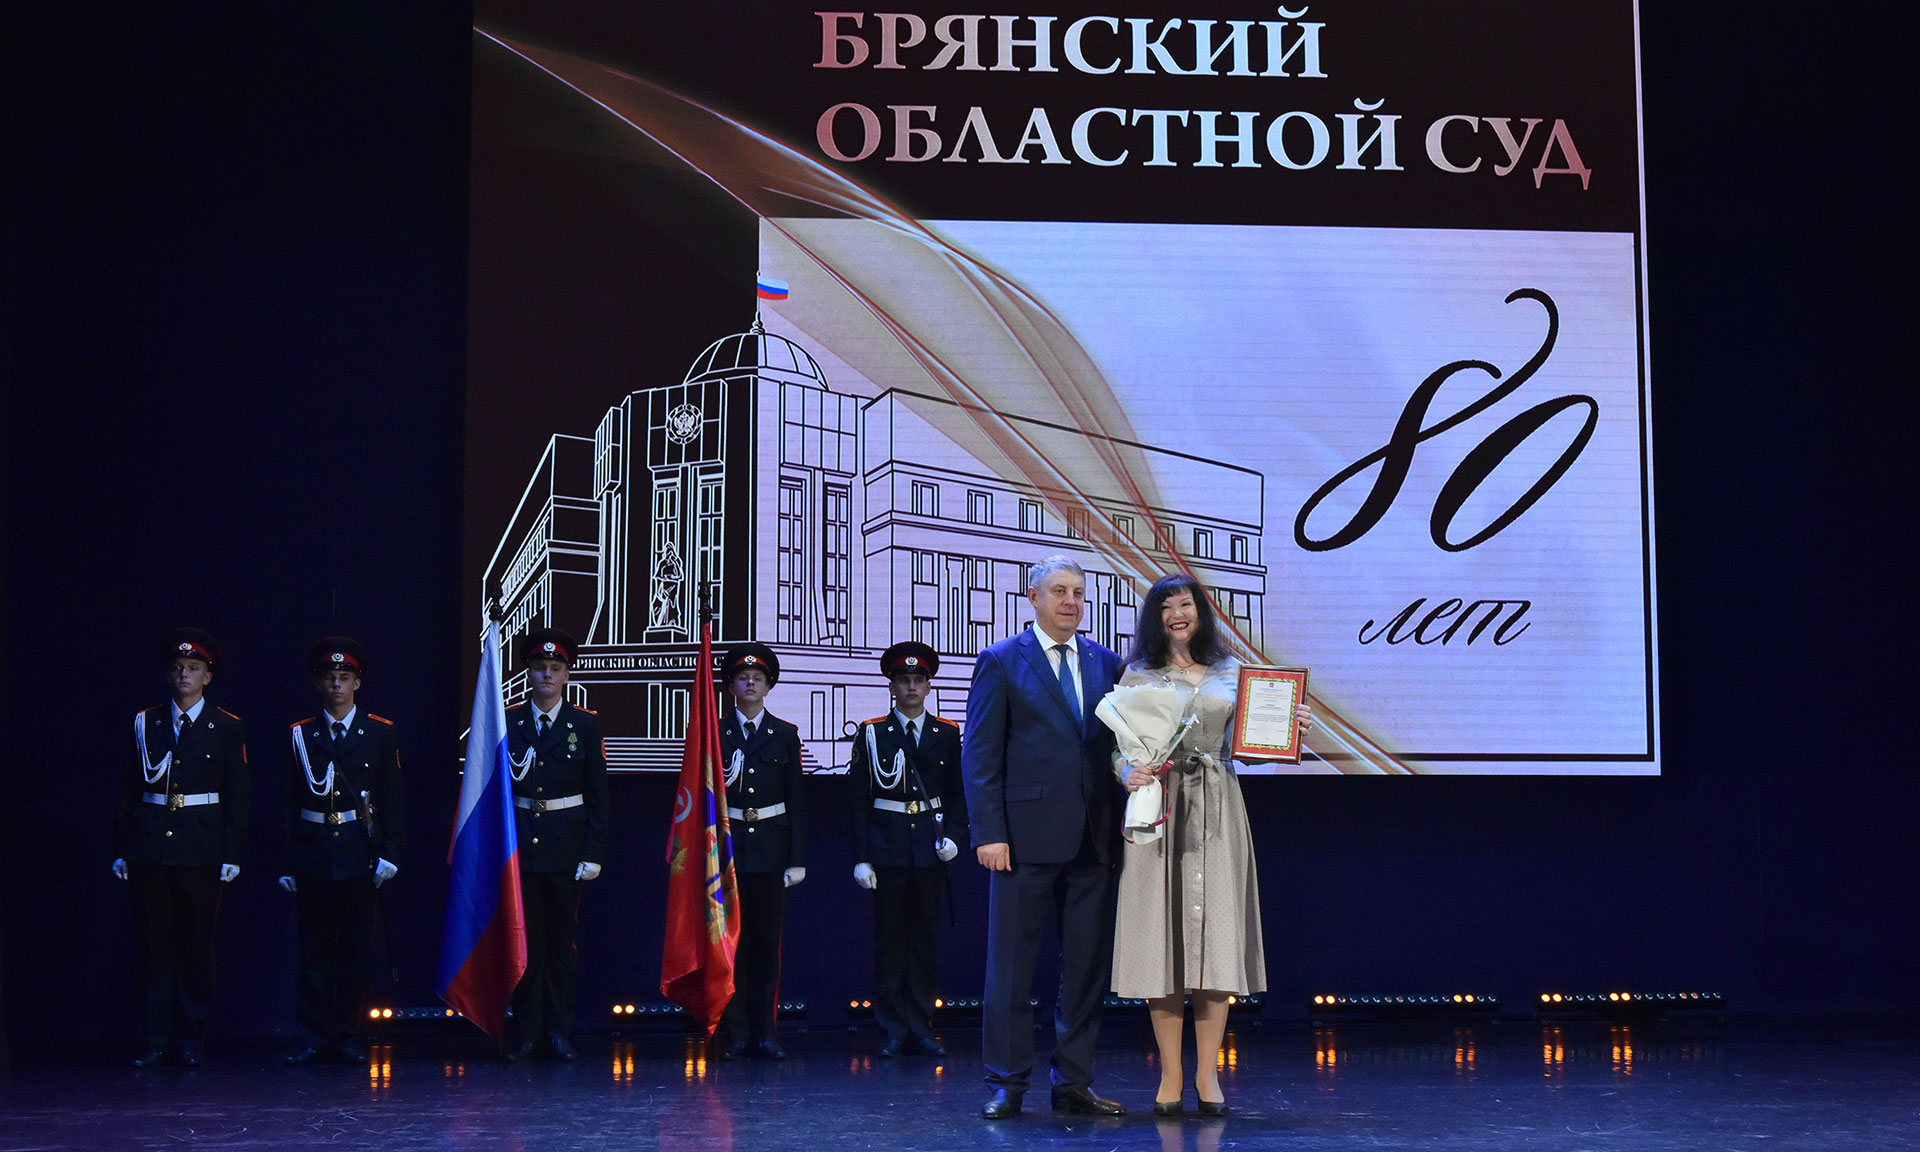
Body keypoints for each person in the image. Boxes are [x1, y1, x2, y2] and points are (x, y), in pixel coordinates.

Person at [1111, 574, 1312, 1116]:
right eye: (1167, 607)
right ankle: (1171, 1075)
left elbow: (1250, 747)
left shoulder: (1232, 672)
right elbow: (1119, 748)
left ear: (1201, 612)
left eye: (1187, 604)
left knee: (1215, 940)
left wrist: (1289, 729)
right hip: (1159, 806)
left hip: (1218, 806)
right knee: (1161, 940)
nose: (1178, 614)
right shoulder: (1138, 674)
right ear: (1154, 619)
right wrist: (1126, 770)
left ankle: (1207, 1074)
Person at [962, 555, 1127, 1119]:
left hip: (1094, 839)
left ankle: (1073, 1082)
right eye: (1059, 591)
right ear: (1032, 597)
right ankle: (1007, 1082)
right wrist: (989, 832)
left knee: (1085, 969)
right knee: (1011, 967)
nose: (1070, 601)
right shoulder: (1002, 660)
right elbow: (980, 755)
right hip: (1022, 840)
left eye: (1078, 592)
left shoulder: (1108, 663)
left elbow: (1120, 747)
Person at [112, 628, 250, 1068]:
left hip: (200, 847)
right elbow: (129, 789)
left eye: (192, 668)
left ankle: (191, 1039)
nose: (183, 675)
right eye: (177, 668)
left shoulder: (225, 726)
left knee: (194, 945)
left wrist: (232, 853)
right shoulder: (146, 722)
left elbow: (236, 795)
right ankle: (156, 1040)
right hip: (151, 847)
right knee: (154, 946)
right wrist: (123, 847)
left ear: (207, 676)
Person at [279, 638, 404, 1066]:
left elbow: (392, 799)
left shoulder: (379, 732)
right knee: (314, 951)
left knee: (354, 950)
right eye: (330, 677)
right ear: (319, 683)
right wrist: (287, 860)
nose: (337, 684)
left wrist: (390, 852)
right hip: (313, 850)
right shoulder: (301, 734)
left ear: (357, 683)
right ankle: (314, 1037)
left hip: (357, 851)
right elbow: (287, 801)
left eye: (344, 677)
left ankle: (349, 1035)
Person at [848, 641, 969, 1058]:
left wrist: (955, 836)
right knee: (889, 940)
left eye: (919, 680)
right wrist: (862, 857)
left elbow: (958, 793)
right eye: (904, 680)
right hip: (888, 848)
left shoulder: (946, 733)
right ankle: (892, 1028)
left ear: (929, 686)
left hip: (930, 849)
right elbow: (859, 800)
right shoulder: (873, 732)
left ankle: (921, 1024)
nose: (912, 687)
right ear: (892, 687)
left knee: (925, 940)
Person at [504, 627, 609, 1061]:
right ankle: (528, 1033)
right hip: (521, 848)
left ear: (567, 675)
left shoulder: (584, 725)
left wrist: (592, 852)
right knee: (525, 945)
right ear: (529, 674)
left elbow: (598, 796)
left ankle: (559, 1032)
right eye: (539, 667)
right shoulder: (509, 722)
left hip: (566, 848)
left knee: (561, 945)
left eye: (555, 668)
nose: (547, 674)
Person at [713, 642, 807, 1060]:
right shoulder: (715, 732)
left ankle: (765, 1033)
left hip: (770, 847)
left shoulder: (784, 734)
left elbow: (796, 799)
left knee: (766, 946)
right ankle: (734, 1033)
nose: (750, 683)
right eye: (742, 678)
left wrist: (797, 858)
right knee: (730, 946)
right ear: (731, 686)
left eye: (757, 678)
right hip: (727, 849)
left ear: (768, 686)